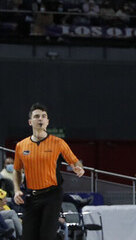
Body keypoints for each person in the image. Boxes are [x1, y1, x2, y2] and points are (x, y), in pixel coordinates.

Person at [13, 103, 85, 240]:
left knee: (47, 235)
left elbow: (75, 161)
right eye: (37, 116)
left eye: (43, 116)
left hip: (52, 195)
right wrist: (17, 189)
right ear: (30, 122)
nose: (40, 119)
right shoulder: (21, 146)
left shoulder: (58, 143)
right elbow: (17, 170)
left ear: (47, 121)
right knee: (28, 236)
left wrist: (79, 168)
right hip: (31, 195)